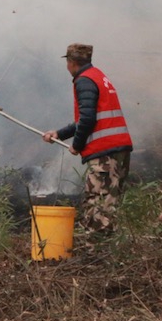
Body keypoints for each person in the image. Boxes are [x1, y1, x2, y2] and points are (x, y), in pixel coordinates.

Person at [42, 43, 133, 236]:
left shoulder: (83, 80)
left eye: (67, 62)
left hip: (104, 153)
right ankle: (109, 253)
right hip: (118, 149)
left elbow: (88, 119)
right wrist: (59, 133)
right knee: (109, 203)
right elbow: (91, 118)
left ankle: (96, 255)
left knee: (97, 203)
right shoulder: (98, 76)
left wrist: (77, 145)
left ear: (71, 62)